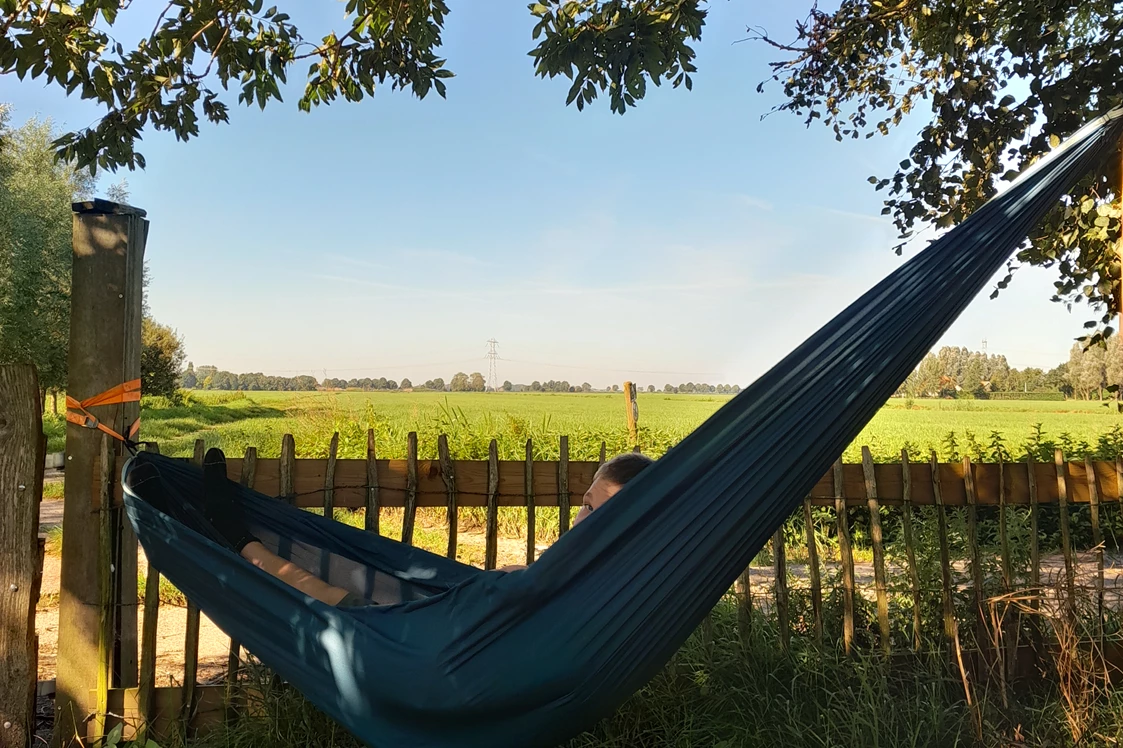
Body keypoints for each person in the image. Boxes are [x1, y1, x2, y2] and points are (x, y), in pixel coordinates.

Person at [199, 447, 654, 607]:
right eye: (587, 505)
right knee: (378, 577)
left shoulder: (608, 577)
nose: (585, 520)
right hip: (465, 605)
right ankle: (241, 536)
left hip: (457, 641)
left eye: (602, 513)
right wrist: (506, 575)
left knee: (347, 608)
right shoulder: (584, 563)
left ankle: (240, 542)